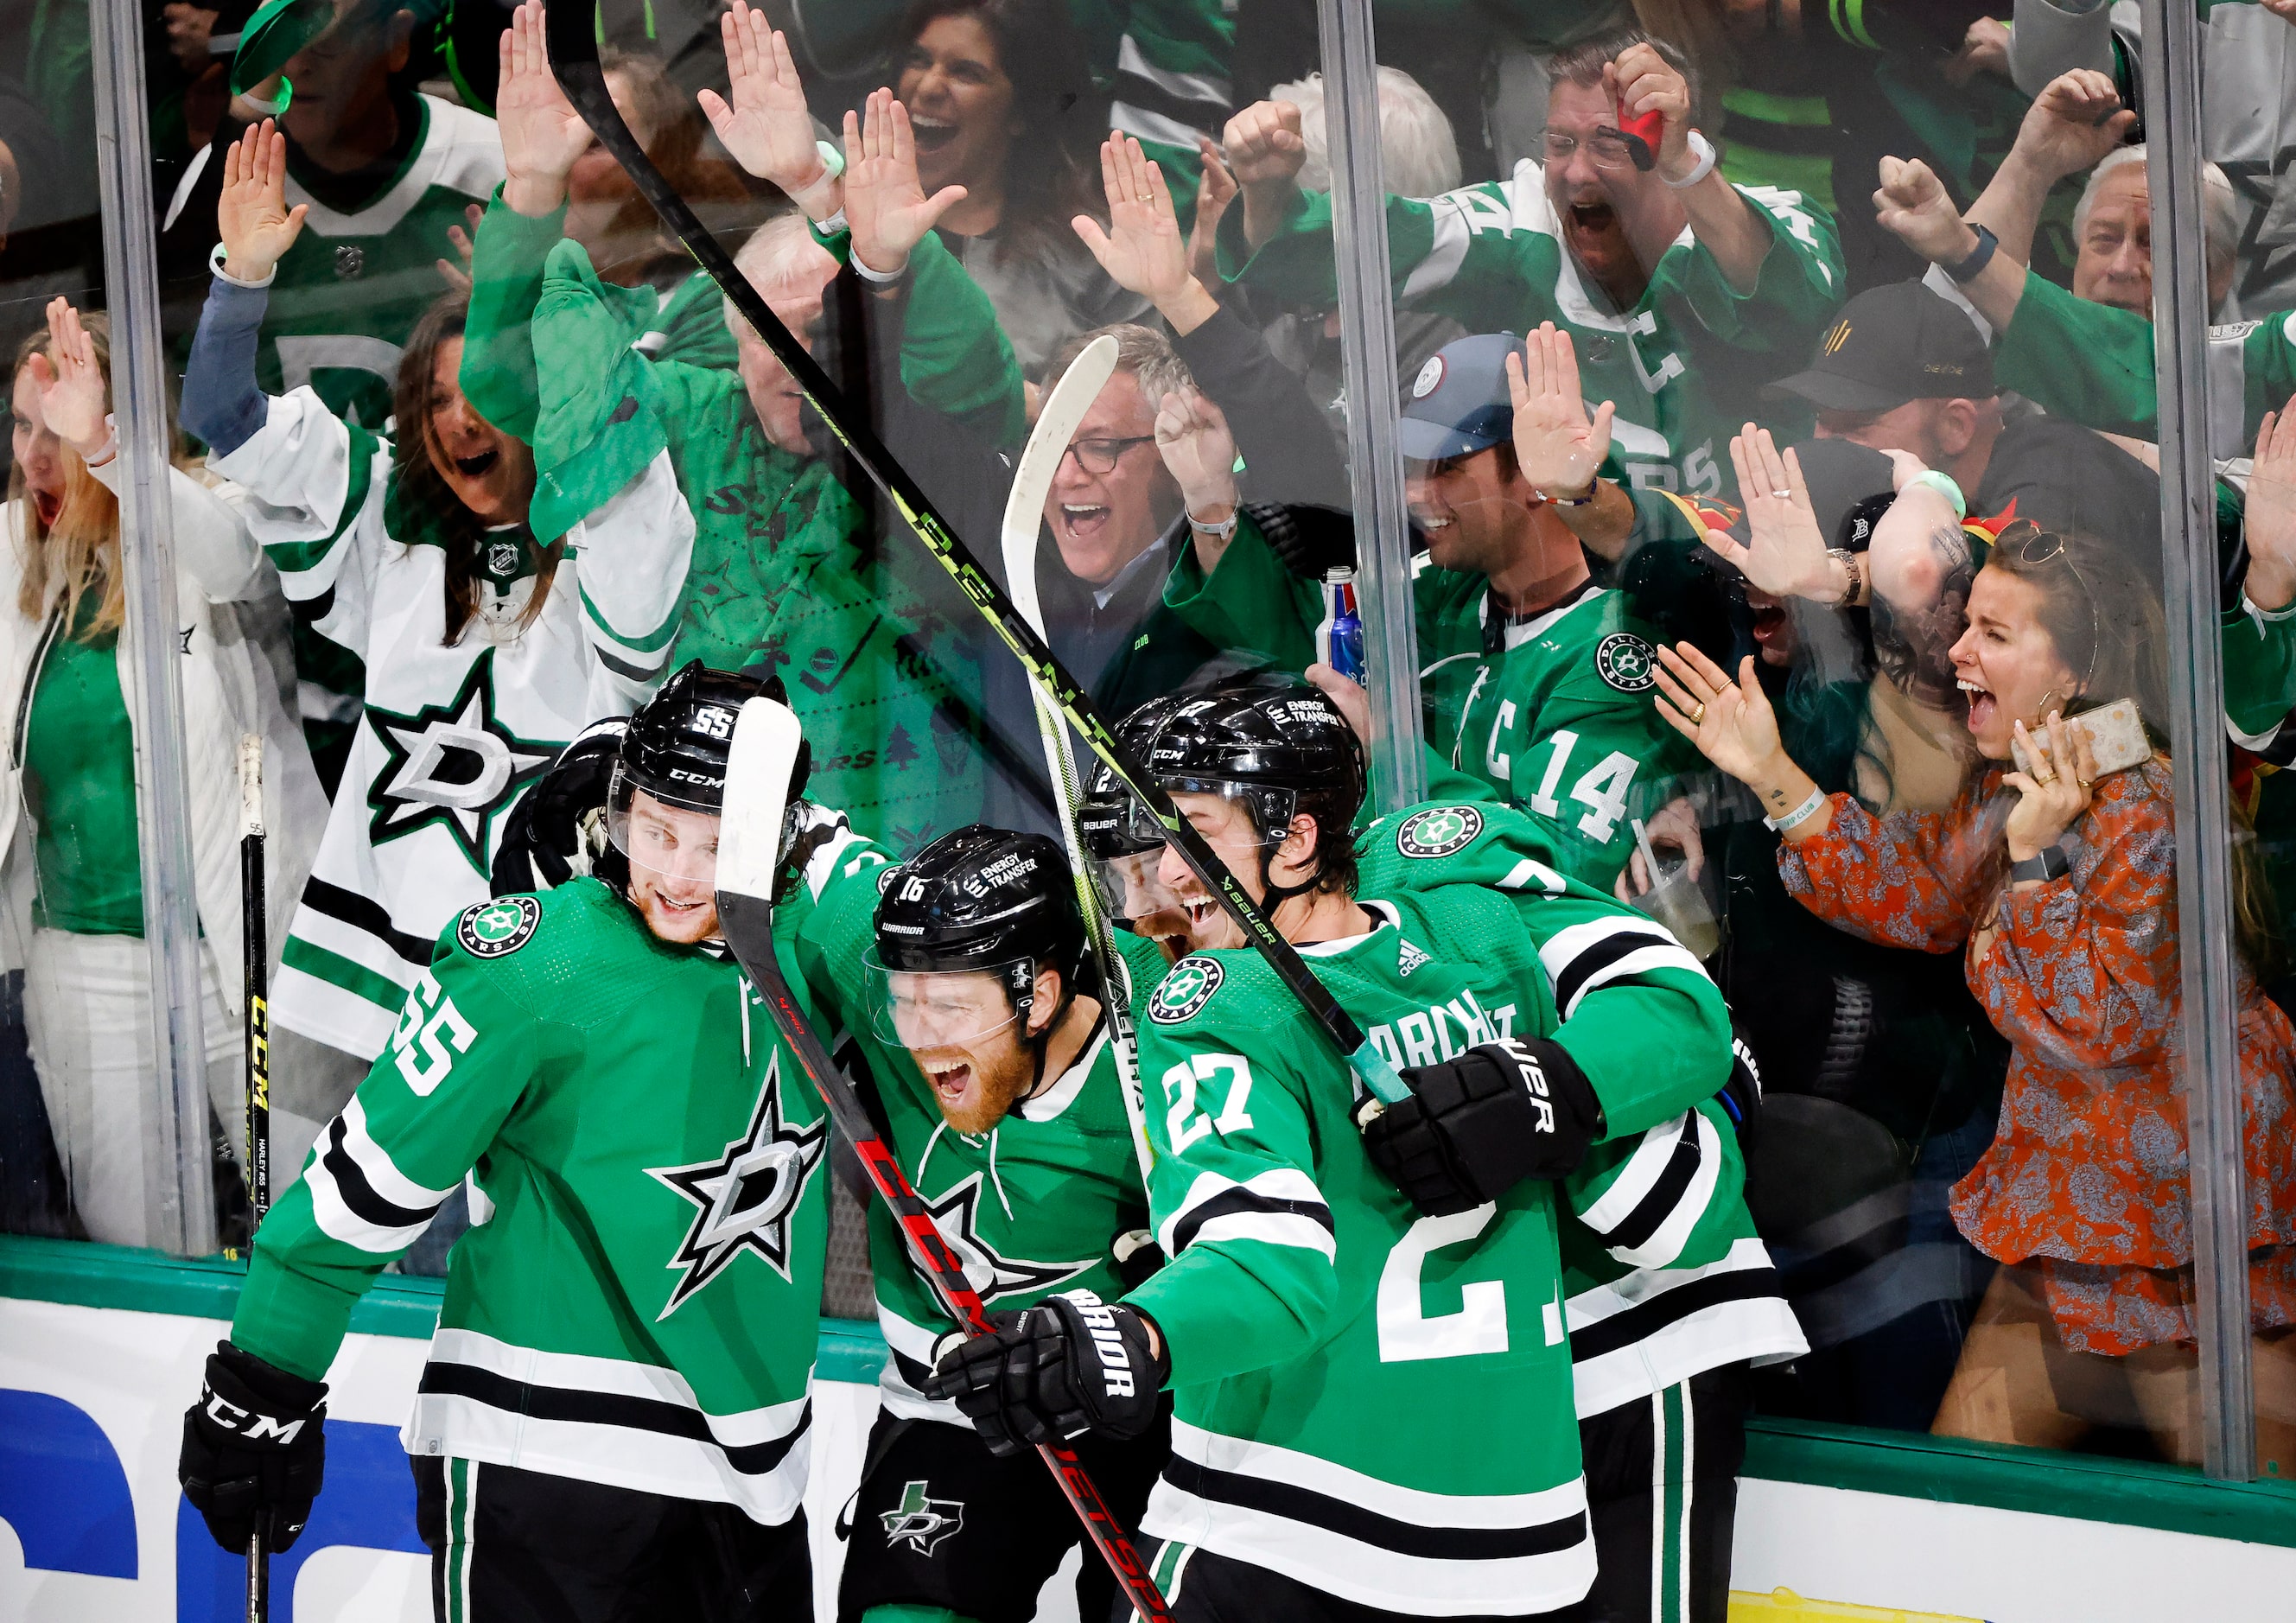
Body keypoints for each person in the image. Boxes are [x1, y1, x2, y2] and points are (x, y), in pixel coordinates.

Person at [927, 677, 1741, 1620]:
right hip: (1522, 1531)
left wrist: (1131, 1335)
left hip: (1288, 1516)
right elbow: (1675, 1004)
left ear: (1299, 836)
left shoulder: (1215, 1003)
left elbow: (1266, 1262)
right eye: (1156, 841)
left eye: (1196, 829)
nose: (1166, 874)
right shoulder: (1477, 933)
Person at [176, 667, 828, 1616]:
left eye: (720, 843)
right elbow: (357, 1192)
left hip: (755, 1479)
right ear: (615, 809)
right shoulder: (534, 959)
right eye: (658, 831)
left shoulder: (815, 943)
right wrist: (264, 1384)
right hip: (547, 1454)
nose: (682, 874)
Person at [1651, 526, 2296, 1473]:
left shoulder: (2142, 805)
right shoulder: (2019, 782)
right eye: (1966, 626)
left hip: (2188, 1240)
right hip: (2066, 1221)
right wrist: (1769, 774)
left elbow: (2095, 1020)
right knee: (1962, 1511)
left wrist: (2033, 863)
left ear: (2071, 670)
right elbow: (1916, 891)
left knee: (2249, 1544)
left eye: (1992, 634)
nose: (1955, 652)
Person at [182, 123, 690, 1096]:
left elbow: (622, 464)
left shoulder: (609, 546)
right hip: (396, 1002)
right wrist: (241, 276)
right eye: (439, 400)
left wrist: (541, 281)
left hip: (559, 994)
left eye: (492, 395)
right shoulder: (387, 532)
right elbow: (221, 415)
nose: (463, 420)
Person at [776, 818, 1169, 1623]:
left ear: (1043, 995)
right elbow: (795, 828)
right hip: (956, 1398)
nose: (919, 1040)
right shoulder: (877, 942)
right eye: (904, 1005)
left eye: (951, 1009)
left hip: (1159, 1412)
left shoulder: (1170, 1036)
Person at [0, 297, 322, 1244]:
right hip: (85, 971)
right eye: (24, 423)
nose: (37, 450)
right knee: (135, 1250)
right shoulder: (7, 553)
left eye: (60, 419)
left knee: (305, 1233)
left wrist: (104, 446)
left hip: (245, 957)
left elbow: (235, 562)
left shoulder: (203, 510)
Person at [1215, 27, 1845, 496]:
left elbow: (1786, 307)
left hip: (1758, 573)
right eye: (1559, 144)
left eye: (1609, 144)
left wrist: (1685, 168)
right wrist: (1268, 194)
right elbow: (1353, 257)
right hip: (1591, 590)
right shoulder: (1517, 226)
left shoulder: (1778, 217)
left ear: (1683, 144)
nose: (1574, 171)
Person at [161, 0, 506, 430]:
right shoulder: (227, 186)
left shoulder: (491, 168)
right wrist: (248, 106)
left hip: (447, 488)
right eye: (281, 40)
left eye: (327, 42)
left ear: (395, 40)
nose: (297, 66)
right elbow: (174, 349)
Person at [455, 22, 752, 448]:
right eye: (555, 135)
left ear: (661, 159)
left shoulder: (715, 300)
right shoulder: (540, 305)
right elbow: (499, 389)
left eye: (594, 140)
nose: (562, 158)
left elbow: (626, 438)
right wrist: (499, 299)